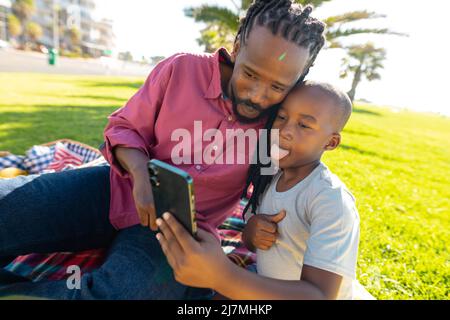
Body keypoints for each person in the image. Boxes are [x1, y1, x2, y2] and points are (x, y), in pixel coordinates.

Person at [0, 1, 326, 299]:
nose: (257, 95)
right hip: (116, 187)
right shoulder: (181, 70)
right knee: (10, 208)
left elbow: (271, 193)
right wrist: (140, 175)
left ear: (299, 79)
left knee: (129, 293)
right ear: (238, 46)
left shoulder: (281, 124)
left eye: (277, 86)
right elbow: (125, 128)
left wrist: (257, 227)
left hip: (180, 233)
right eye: (250, 74)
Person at [156, 81, 360, 300]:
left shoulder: (330, 199)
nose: (284, 131)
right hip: (262, 286)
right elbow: (253, 244)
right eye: (281, 117)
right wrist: (251, 232)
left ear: (331, 142)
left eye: (304, 125)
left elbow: (319, 295)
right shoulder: (270, 178)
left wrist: (222, 276)